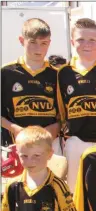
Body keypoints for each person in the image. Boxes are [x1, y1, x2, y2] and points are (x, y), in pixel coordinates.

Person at [57, 18, 96, 192]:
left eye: (92, 40)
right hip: (75, 141)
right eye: (80, 40)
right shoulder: (63, 72)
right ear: (72, 42)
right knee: (74, 189)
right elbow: (61, 110)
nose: (86, 44)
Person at [1, 18, 61, 154]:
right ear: (22, 41)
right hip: (14, 145)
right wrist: (16, 129)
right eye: (33, 42)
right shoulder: (5, 72)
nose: (38, 48)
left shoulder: (58, 75)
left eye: (43, 43)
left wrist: (52, 130)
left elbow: (65, 115)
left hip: (49, 145)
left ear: (49, 43)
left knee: (51, 176)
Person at [1, 126, 77, 211]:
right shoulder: (12, 186)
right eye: (24, 156)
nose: (30, 161)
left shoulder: (57, 186)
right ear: (18, 154)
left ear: (50, 154)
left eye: (36, 155)